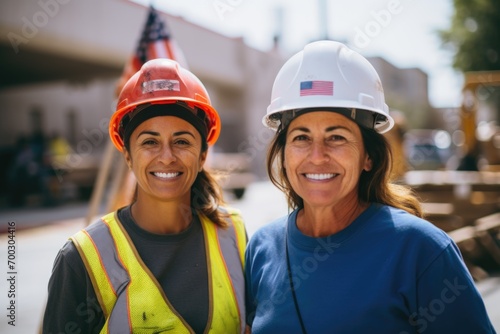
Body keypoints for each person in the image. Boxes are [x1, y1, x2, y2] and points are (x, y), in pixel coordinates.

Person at [244, 40, 495, 334]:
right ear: (283, 154)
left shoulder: (421, 250)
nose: (317, 155)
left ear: (368, 157)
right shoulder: (261, 248)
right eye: (301, 137)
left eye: (336, 137)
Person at [43, 59, 247, 333]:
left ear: (202, 156)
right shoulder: (82, 258)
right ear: (127, 155)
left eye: (182, 141)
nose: (167, 157)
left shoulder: (233, 234)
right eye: (149, 142)